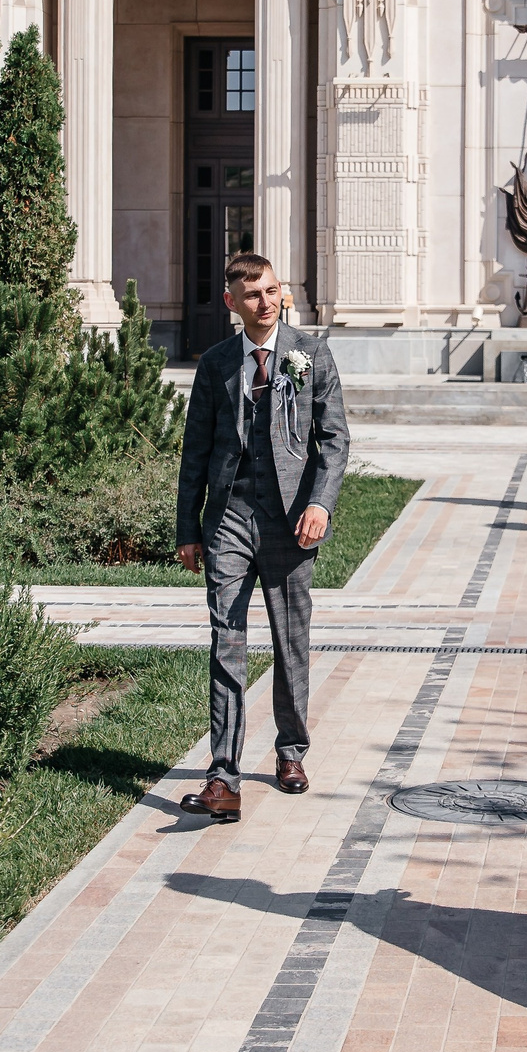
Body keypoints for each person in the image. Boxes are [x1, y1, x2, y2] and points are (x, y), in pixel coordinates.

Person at [173, 252, 349, 823]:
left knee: (289, 639)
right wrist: (187, 528)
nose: (266, 301)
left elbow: (335, 438)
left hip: (291, 517)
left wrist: (321, 502)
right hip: (229, 516)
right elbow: (195, 449)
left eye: (272, 291)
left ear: (283, 292)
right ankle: (223, 776)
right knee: (226, 638)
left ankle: (290, 752)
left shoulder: (310, 353)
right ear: (232, 303)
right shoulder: (217, 363)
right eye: (253, 295)